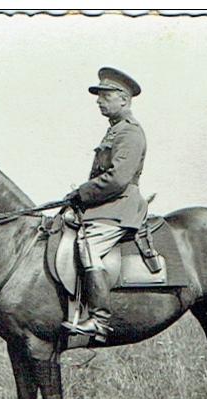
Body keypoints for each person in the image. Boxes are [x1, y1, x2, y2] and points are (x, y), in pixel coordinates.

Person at [63, 67, 148, 342]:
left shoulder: (130, 133)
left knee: (89, 245)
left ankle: (99, 319)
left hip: (120, 205)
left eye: (106, 95)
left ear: (124, 99)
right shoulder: (114, 131)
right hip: (106, 205)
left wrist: (82, 193)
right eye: (99, 95)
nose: (99, 100)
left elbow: (118, 178)